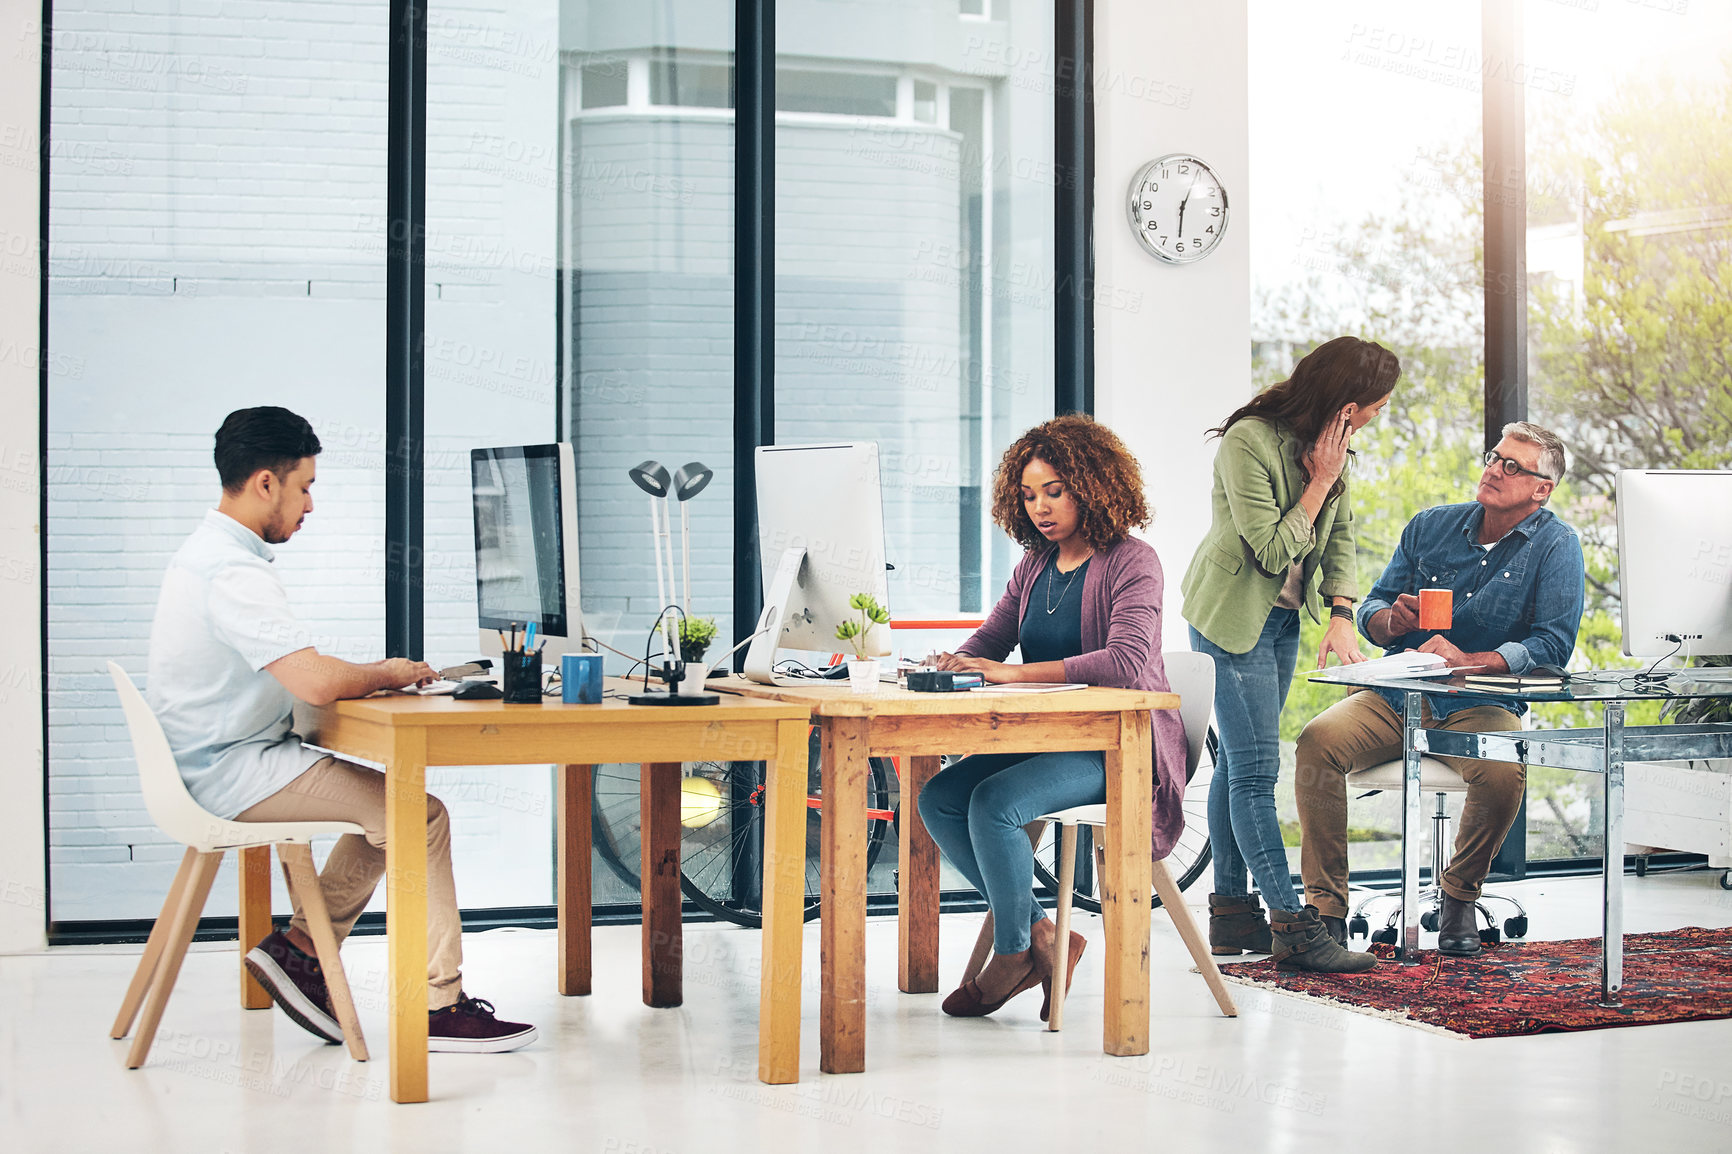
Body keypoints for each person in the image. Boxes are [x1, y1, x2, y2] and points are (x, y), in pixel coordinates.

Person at [146, 406, 536, 1052]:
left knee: (393, 811)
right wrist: (382, 670)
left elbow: (294, 676)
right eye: (306, 487)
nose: (310, 505)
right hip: (230, 770)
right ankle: (439, 1005)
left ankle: (301, 948)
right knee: (420, 816)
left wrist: (370, 678)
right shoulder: (233, 572)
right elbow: (316, 684)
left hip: (214, 759)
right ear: (266, 483)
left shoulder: (203, 553)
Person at [918, 414, 1188, 1019]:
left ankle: (1015, 952)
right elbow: (991, 640)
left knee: (993, 804)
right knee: (938, 797)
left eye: (1054, 491)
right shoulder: (1035, 564)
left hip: (1117, 746)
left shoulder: (1132, 562)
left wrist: (1013, 674)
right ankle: (1046, 934)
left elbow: (1124, 662)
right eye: (1029, 493)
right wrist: (952, 660)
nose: (1040, 507)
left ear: (1092, 485)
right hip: (1049, 735)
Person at [1295, 422, 1584, 956]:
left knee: (1502, 771)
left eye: (1513, 466)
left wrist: (1471, 661)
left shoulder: (1557, 546)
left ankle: (1458, 895)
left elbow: (1553, 644)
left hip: (1482, 702)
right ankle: (1326, 911)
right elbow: (1372, 610)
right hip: (1400, 694)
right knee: (1317, 740)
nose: (1495, 470)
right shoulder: (1431, 526)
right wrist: (1392, 623)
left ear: (1542, 488)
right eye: (1495, 457)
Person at [1181, 336, 1401, 974]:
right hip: (1230, 616)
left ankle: (1229, 914)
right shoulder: (1249, 441)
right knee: (1254, 774)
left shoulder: (1337, 451)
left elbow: (1343, 537)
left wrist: (1340, 614)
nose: (1375, 419)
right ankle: (1293, 927)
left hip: (1282, 620)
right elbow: (1272, 552)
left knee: (1240, 767)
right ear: (1343, 403)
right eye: (1374, 408)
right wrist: (1320, 480)